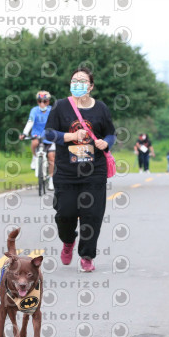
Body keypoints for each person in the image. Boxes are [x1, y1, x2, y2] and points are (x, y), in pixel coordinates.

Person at [44, 67, 116, 272]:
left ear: (91, 86)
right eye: (74, 80)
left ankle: (87, 256)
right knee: (64, 214)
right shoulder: (60, 106)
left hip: (94, 171)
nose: (78, 84)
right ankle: (68, 240)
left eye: (82, 81)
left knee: (92, 214)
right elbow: (48, 133)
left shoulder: (101, 108)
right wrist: (72, 136)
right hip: (66, 171)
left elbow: (111, 133)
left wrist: (106, 142)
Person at [19, 91, 56, 190]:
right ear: (37, 102)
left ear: (48, 102)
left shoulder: (52, 110)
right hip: (37, 134)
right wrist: (24, 133)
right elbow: (30, 122)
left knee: (51, 157)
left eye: (45, 101)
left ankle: (51, 179)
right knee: (34, 142)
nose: (42, 103)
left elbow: (56, 122)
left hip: (49, 135)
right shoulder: (34, 110)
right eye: (40, 101)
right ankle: (35, 157)